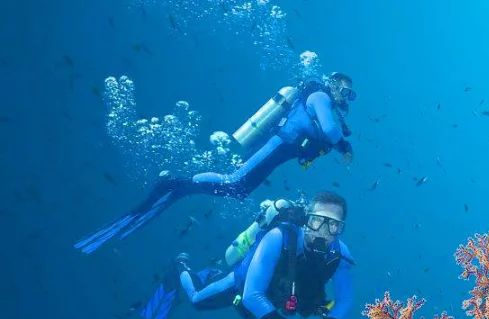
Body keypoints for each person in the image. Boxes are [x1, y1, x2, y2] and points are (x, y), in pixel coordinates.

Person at [75, 73, 356, 254]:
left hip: (280, 151)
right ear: (332, 84)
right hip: (276, 145)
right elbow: (330, 131)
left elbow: (322, 134)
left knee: (239, 190)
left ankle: (182, 187)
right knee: (234, 181)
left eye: (349, 95)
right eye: (345, 90)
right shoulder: (319, 96)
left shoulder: (322, 103)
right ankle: (175, 183)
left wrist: (333, 144)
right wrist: (343, 144)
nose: (345, 97)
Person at [150, 191, 355, 319]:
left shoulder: (340, 255)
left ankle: (212, 273)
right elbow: (251, 295)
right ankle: (181, 265)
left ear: (340, 229)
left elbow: (345, 300)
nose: (323, 231)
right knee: (197, 300)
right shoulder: (279, 236)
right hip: (243, 284)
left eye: (333, 225)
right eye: (317, 220)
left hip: (278, 293)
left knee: (252, 313)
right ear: (306, 220)